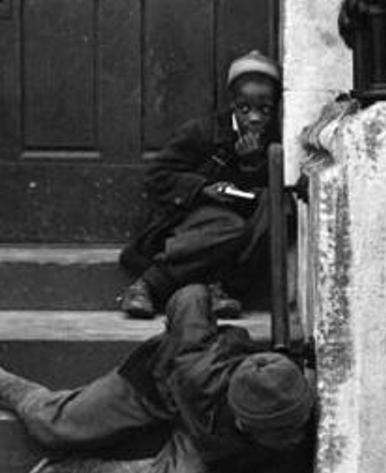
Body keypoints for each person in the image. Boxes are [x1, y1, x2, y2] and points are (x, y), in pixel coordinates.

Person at [0, 284, 314, 473]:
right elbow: (188, 297)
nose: (295, 436)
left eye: (296, 426)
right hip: (156, 387)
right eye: (283, 432)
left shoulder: (294, 411)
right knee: (55, 426)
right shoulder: (197, 364)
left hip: (202, 435)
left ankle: (79, 471)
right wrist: (211, 293)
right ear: (246, 424)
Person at [117, 51, 284, 320]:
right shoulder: (203, 131)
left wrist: (252, 164)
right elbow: (158, 175)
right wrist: (202, 189)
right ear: (232, 105)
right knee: (228, 225)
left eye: (264, 110)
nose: (254, 118)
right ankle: (148, 285)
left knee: (276, 203)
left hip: (240, 230)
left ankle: (224, 289)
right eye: (244, 109)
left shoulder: (274, 139)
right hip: (193, 221)